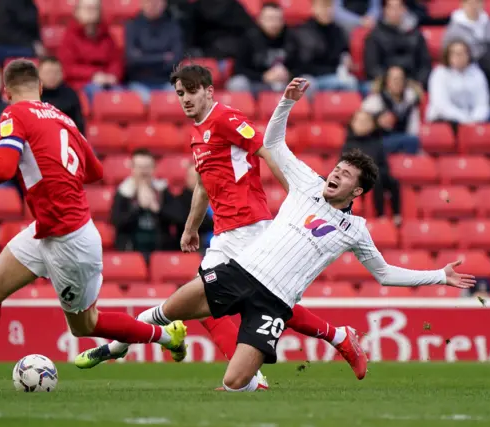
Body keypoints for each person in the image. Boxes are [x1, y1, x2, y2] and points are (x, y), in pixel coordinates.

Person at [84, 79, 475, 392]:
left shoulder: (355, 229)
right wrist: (285, 102)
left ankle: (326, 342)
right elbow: (270, 144)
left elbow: (385, 274)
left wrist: (439, 276)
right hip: (239, 269)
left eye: (345, 175)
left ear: (357, 192)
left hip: (267, 283)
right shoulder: (306, 182)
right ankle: (141, 342)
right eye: (336, 168)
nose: (335, 174)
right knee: (174, 308)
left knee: (234, 383)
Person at [75, 65, 369, 387]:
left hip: (250, 227)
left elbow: (265, 149)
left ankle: (119, 346)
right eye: (180, 94)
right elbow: (203, 186)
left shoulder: (226, 119)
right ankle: (256, 375)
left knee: (266, 298)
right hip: (224, 235)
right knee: (201, 309)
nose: (185, 99)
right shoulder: (197, 132)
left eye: (191, 91)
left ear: (208, 90)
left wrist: (298, 197)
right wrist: (191, 228)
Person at [0, 59, 187, 399]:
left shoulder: (14, 114)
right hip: (47, 228)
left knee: (84, 326)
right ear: (41, 88)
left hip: (68, 240)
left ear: (6, 91)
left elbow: (3, 168)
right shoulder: (63, 118)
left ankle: (166, 336)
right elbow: (96, 171)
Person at [110, 148, 183, 258]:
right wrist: (138, 208)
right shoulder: (123, 192)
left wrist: (158, 210)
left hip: (160, 251)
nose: (143, 172)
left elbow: (180, 218)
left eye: (147, 167)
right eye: (139, 167)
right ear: (132, 169)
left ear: (154, 168)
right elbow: (117, 222)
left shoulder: (162, 190)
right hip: (131, 251)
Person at [343, 110, 401, 224]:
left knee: (393, 181)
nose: (362, 124)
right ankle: (380, 215)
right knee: (375, 178)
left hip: (376, 174)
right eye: (359, 121)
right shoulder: (348, 144)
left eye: (366, 121)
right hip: (358, 178)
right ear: (352, 123)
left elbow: (384, 165)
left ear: (372, 125)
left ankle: (397, 215)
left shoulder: (377, 143)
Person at [226, 2, 295, 94]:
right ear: (260, 20)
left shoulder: (291, 37)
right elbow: (239, 68)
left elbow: (301, 66)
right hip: (256, 83)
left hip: (284, 84)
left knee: (305, 82)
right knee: (237, 83)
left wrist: (289, 74)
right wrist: (263, 76)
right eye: (270, 19)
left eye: (278, 19)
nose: (274, 23)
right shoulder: (249, 38)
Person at [290, 0, 358, 94]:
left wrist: (346, 59)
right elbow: (302, 63)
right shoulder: (303, 31)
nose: (327, 10)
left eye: (329, 7)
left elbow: (344, 52)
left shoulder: (338, 31)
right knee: (307, 84)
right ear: (313, 9)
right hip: (310, 76)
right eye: (323, 7)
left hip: (332, 75)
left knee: (351, 82)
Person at [59, 0, 123, 99]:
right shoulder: (70, 36)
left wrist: (112, 76)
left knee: (121, 94)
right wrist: (93, 75)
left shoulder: (106, 35)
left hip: (106, 81)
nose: (90, 11)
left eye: (94, 8)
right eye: (86, 8)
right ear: (77, 12)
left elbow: (115, 61)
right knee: (98, 94)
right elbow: (67, 68)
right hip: (81, 83)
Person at [363, 0, 432, 88]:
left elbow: (425, 64)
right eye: (391, 8)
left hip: (413, 83)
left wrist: (418, 81)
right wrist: (392, 81)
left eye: (398, 7)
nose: (395, 12)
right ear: (384, 10)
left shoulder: (416, 34)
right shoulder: (374, 36)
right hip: (385, 85)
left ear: (404, 9)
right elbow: (372, 68)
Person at [125, 0, 183, 103]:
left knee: (180, 102)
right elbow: (132, 60)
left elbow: (176, 60)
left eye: (157, 1)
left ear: (164, 4)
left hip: (167, 82)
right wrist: (163, 57)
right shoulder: (132, 26)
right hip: (139, 83)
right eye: (149, 1)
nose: (152, 4)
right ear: (141, 3)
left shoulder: (173, 27)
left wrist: (144, 58)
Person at [426, 40, 490, 126]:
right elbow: (441, 104)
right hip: (443, 119)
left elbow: (483, 102)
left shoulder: (477, 73)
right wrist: (464, 119)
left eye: (463, 53)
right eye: (455, 53)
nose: (460, 57)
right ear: (448, 56)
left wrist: (476, 118)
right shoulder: (439, 73)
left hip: (472, 120)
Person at [361, 65, 422, 154]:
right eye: (394, 79)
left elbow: (413, 130)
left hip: (404, 139)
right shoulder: (374, 101)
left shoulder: (410, 101)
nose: (397, 82)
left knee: (413, 141)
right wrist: (376, 122)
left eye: (400, 79)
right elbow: (361, 126)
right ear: (386, 81)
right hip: (380, 140)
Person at [0, 0, 45, 66]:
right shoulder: (1, 3)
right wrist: (31, 45)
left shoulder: (29, 4)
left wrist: (37, 42)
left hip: (20, 45)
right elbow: (0, 33)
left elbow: (33, 27)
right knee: (30, 54)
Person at [38, 56, 86, 135]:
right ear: (38, 74)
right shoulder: (31, 95)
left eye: (56, 73)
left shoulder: (71, 95)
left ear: (62, 74)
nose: (52, 76)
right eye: (47, 73)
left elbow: (79, 125)